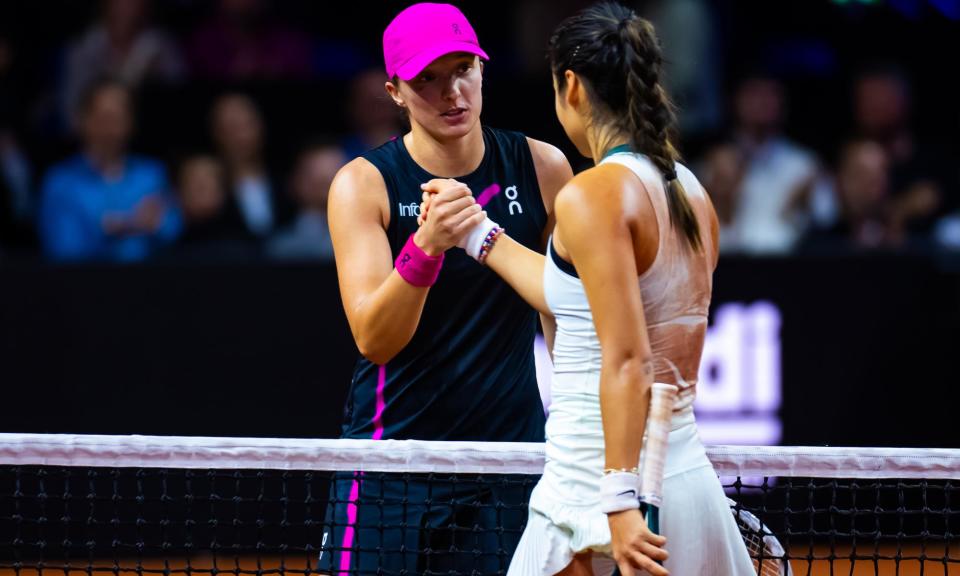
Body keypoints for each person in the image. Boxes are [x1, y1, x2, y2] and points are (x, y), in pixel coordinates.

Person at [423, 3, 754, 574]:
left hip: (597, 486)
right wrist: (478, 231)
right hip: (682, 476)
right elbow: (573, 302)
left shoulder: (591, 194)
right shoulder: (692, 192)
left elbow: (628, 359)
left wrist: (621, 500)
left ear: (570, 86)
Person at [318, 3, 572, 575]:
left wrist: (581, 440)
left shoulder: (544, 168)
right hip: (391, 466)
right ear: (395, 93)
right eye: (426, 79)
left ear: (483, 71)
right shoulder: (364, 185)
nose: (451, 92)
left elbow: (565, 316)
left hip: (510, 464)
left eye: (463, 70)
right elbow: (375, 339)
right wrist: (426, 247)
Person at [38, 79, 180, 262]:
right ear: (83, 120)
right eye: (104, 117)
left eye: (118, 118)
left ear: (131, 122)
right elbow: (62, 248)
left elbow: (173, 227)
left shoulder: (151, 174)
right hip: (85, 285)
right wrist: (109, 232)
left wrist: (158, 225)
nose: (111, 128)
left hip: (149, 283)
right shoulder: (60, 181)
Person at [266, 142, 345, 262]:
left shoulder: (367, 240)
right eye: (313, 175)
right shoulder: (279, 246)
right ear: (294, 181)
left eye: (335, 172)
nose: (326, 181)